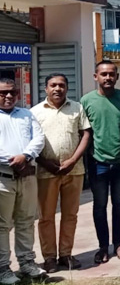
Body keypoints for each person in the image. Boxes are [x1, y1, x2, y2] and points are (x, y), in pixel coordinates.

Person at [32, 73, 90, 273]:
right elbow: (30, 142)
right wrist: (45, 162)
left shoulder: (77, 108)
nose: (58, 89)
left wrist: (73, 160)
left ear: (67, 88)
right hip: (46, 172)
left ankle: (66, 254)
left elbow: (86, 135)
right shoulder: (35, 112)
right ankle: (49, 258)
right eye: (53, 85)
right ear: (46, 88)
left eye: (62, 85)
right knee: (46, 217)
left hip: (74, 171)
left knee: (70, 215)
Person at [81, 60, 120, 263]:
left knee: (119, 203)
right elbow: (82, 132)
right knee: (100, 205)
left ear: (117, 76)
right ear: (96, 77)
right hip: (97, 162)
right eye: (104, 74)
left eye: (112, 74)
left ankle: (118, 243)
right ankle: (103, 246)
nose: (108, 78)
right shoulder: (86, 101)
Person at [0, 78, 46, 283]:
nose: (8, 96)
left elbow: (39, 138)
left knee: (26, 221)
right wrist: (13, 160)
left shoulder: (27, 114)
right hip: (3, 178)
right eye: (3, 93)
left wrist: (25, 156)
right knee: (2, 225)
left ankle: (27, 263)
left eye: (12, 92)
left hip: (27, 176)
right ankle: (3, 269)